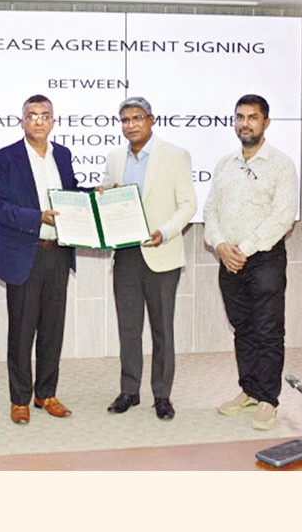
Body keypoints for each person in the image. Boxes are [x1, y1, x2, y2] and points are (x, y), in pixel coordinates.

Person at [204, 94, 297, 431]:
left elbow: (283, 216)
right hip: (228, 259)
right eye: (240, 117)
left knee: (268, 330)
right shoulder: (224, 164)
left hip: (264, 259)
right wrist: (220, 245)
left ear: (265, 123)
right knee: (242, 327)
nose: (245, 124)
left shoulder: (282, 164)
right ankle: (249, 390)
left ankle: (268, 399)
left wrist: (242, 249)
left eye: (252, 117)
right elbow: (210, 209)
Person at [100, 97, 197, 420]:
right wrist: (103, 195)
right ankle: (129, 391)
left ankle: (162, 395)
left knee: (162, 329)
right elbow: (107, 196)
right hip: (126, 253)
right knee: (128, 328)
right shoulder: (115, 157)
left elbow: (188, 204)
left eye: (137, 118)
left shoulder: (175, 155)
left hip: (161, 253)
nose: (131, 125)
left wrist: (165, 232)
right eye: (125, 120)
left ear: (151, 120)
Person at [0, 94, 77, 424]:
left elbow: (71, 196)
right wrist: (36, 217)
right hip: (24, 255)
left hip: (58, 254)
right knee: (22, 333)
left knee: (53, 330)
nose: (39, 120)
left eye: (45, 115)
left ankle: (46, 394)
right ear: (22, 121)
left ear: (53, 121)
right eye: (32, 115)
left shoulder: (62, 155)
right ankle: (19, 398)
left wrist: (96, 197)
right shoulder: (4, 158)